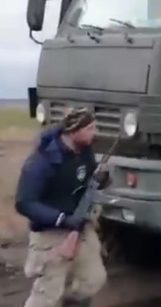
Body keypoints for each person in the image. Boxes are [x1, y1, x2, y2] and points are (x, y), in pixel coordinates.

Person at [15, 108, 110, 307]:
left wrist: (101, 181)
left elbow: (86, 181)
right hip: (50, 234)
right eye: (90, 128)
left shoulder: (84, 152)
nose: (95, 132)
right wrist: (61, 219)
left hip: (81, 229)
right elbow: (25, 202)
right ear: (74, 130)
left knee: (92, 279)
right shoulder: (41, 161)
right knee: (48, 294)